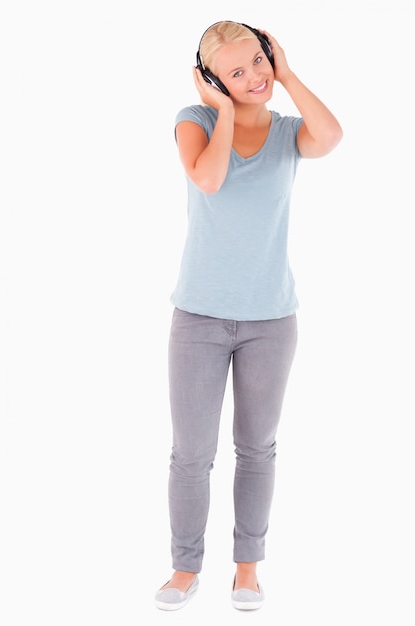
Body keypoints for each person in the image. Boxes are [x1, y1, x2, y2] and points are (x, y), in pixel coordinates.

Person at [155, 20, 342, 611]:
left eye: (259, 62)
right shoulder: (197, 120)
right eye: (237, 72)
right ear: (212, 78)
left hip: (270, 320)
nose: (254, 77)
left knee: (257, 448)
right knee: (192, 453)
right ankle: (185, 570)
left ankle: (247, 570)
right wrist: (222, 106)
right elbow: (208, 178)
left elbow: (332, 136)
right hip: (199, 319)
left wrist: (287, 74)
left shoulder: (290, 132)